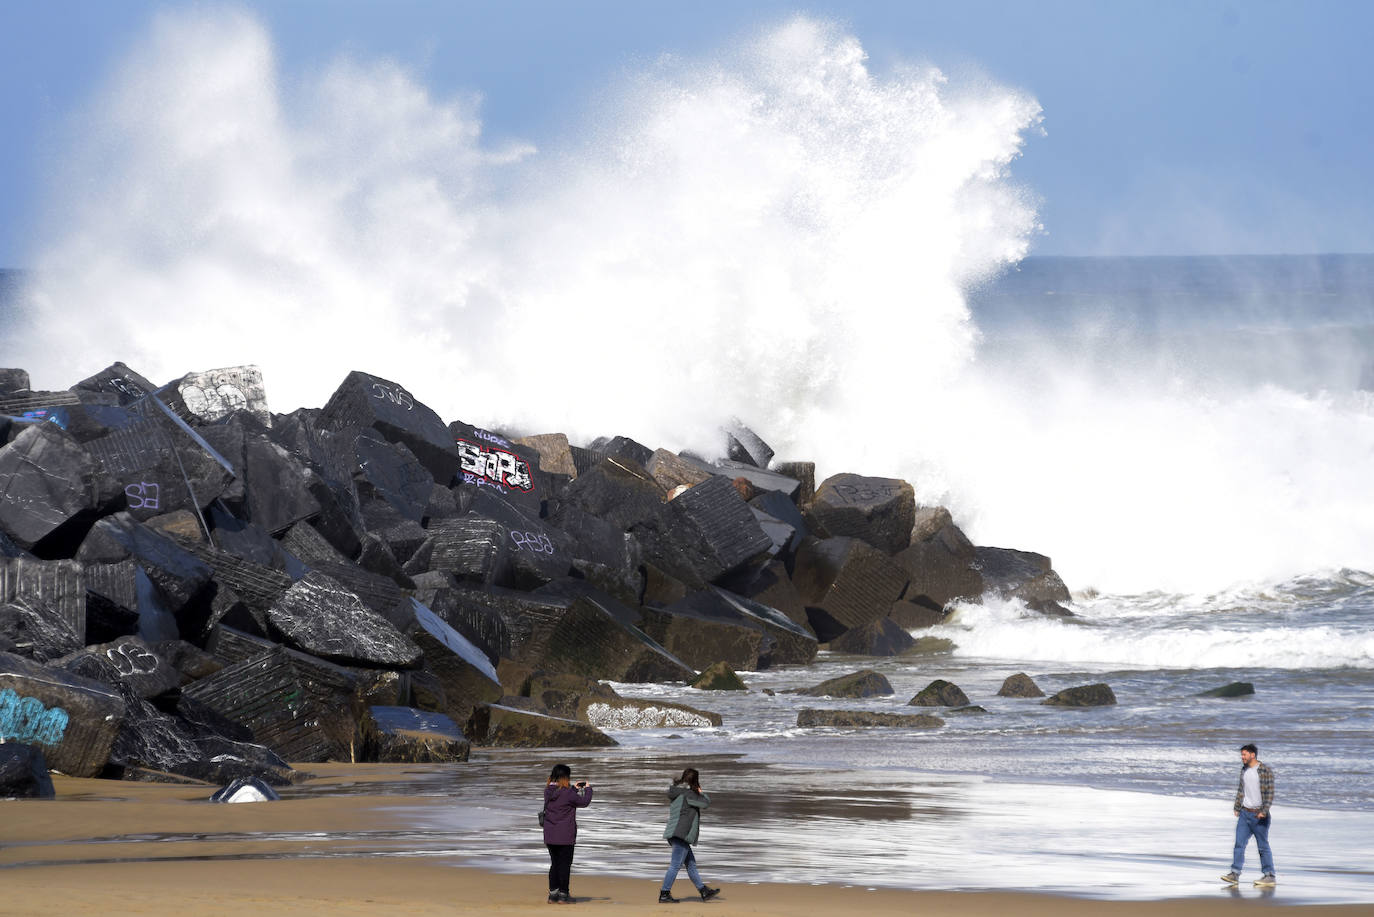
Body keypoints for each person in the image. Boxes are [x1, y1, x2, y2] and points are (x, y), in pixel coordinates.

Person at [658, 767, 721, 904]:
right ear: (695, 781)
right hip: (681, 834)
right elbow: (706, 803)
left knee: (691, 864)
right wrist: (699, 790)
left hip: (675, 832)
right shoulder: (689, 794)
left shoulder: (677, 791)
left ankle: (704, 891)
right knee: (675, 865)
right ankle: (664, 894)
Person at [1220, 743, 1276, 887]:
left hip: (1259, 815)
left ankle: (1269, 876)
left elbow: (1269, 794)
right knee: (1239, 844)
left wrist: (1264, 811)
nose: (1242, 757)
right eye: (1242, 755)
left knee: (1263, 846)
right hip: (1245, 814)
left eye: (1244, 754)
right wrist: (1237, 807)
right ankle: (1234, 874)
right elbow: (1241, 790)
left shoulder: (1265, 771)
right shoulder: (1244, 770)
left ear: (1253, 755)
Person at [543, 763, 593, 903]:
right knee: (565, 865)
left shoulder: (548, 790)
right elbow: (584, 802)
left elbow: (562, 795)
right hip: (565, 836)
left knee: (555, 864)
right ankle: (563, 895)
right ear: (565, 777)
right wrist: (588, 789)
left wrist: (573, 789)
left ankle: (553, 895)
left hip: (550, 835)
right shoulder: (568, 793)